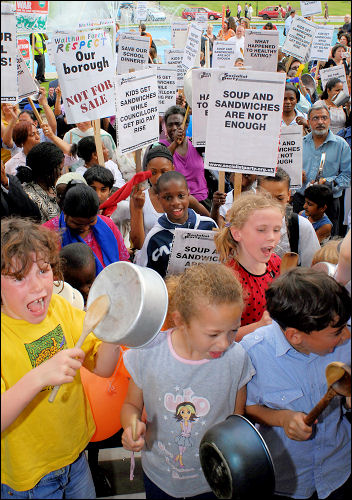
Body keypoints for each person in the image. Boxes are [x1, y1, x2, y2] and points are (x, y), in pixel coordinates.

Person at [1, 217, 122, 498]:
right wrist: (40, 375)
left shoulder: (60, 309)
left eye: (43, 271)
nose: (38, 287)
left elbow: (103, 369)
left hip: (76, 460)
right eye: (19, 278)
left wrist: (116, 333)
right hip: (28, 480)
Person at [120, 262, 255, 499]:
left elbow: (237, 420)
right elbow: (131, 405)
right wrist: (131, 426)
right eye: (213, 334)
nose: (224, 343)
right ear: (180, 320)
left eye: (233, 330)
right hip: (159, 476)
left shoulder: (236, 358)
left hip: (213, 481)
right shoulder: (148, 353)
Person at [240, 267, 351, 500]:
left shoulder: (346, 343)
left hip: (339, 469)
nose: (346, 336)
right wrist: (283, 419)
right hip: (287, 479)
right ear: (295, 336)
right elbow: (247, 409)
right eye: (337, 332)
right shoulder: (252, 353)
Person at [214, 192, 284, 340]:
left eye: (276, 230)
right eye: (261, 230)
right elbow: (219, 335)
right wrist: (258, 327)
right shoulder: (228, 278)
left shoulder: (276, 263)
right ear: (237, 233)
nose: (272, 236)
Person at [136, 171, 217, 278]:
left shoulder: (207, 225)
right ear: (159, 199)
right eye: (168, 198)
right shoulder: (154, 238)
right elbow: (147, 277)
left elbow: (220, 265)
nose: (175, 202)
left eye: (181, 196)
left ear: (188, 194)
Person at [131, 145, 210, 251]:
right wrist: (138, 208)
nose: (159, 177)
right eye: (153, 172)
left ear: (173, 168)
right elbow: (138, 245)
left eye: (164, 172)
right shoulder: (139, 199)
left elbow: (209, 223)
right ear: (146, 171)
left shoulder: (185, 200)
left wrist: (217, 207)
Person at [43, 182, 130, 275]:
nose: (85, 228)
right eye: (78, 224)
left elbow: (123, 263)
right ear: (65, 213)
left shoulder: (107, 225)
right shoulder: (46, 234)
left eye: (91, 222)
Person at [292, 101, 351, 237]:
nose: (320, 122)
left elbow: (348, 175)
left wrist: (328, 183)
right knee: (299, 240)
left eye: (324, 118)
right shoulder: (299, 143)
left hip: (328, 203)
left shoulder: (341, 145)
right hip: (301, 200)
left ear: (329, 120)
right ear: (308, 121)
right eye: (315, 118)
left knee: (328, 245)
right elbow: (287, 171)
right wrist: (296, 175)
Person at [257, 168, 320, 267]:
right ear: (257, 194)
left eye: (279, 199)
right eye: (266, 198)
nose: (272, 204)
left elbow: (311, 269)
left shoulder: (301, 226)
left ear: (288, 195)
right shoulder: (245, 225)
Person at [159, 106, 209, 207]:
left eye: (178, 124)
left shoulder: (196, 144)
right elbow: (162, 162)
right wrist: (175, 143)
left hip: (202, 202)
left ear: (186, 125)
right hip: (176, 205)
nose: (173, 128)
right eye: (170, 125)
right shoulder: (160, 146)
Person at [22, 143, 64, 223]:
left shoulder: (53, 187)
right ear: (47, 170)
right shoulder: (30, 198)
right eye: (60, 169)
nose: (61, 174)